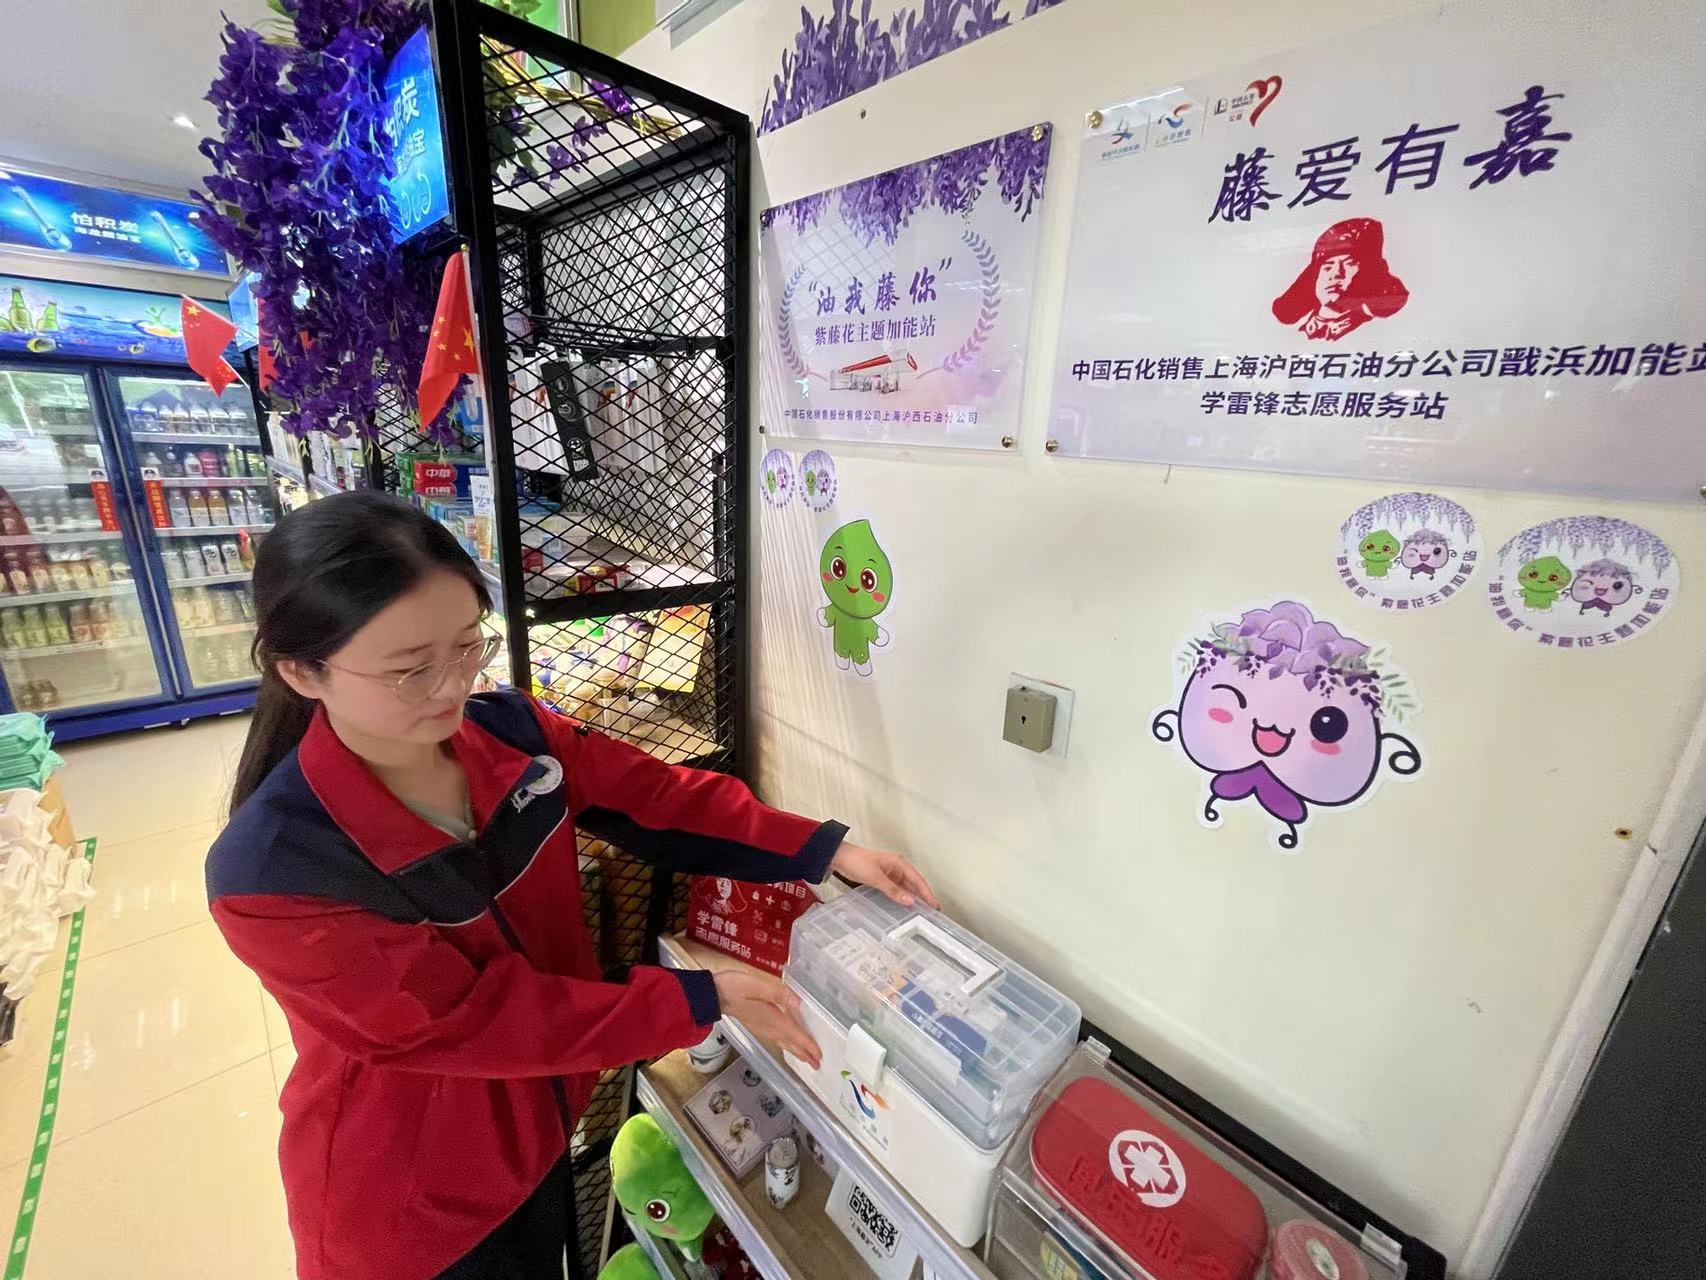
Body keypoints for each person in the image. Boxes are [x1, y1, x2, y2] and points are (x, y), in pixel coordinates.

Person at [206, 493, 934, 1280]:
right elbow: (473, 1021)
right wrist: (696, 998)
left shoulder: (512, 735)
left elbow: (657, 799)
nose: (451, 687)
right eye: (410, 671)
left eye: (467, 646)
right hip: (409, 1206)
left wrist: (823, 850)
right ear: (301, 671)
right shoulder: (276, 871)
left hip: (540, 1132)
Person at [1270, 217, 1409, 342]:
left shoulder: (1374, 329)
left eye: (1349, 264)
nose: (1336, 274)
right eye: (1327, 267)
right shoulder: (1299, 332)